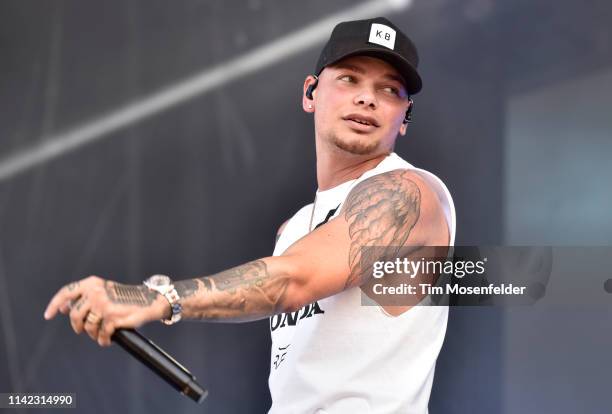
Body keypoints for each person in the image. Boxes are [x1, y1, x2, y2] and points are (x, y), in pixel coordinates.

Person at [45, 17, 456, 413]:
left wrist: (160, 297)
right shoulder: (294, 229)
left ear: (406, 117)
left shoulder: (409, 191)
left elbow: (296, 278)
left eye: (389, 90)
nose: (367, 97)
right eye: (350, 78)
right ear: (311, 93)